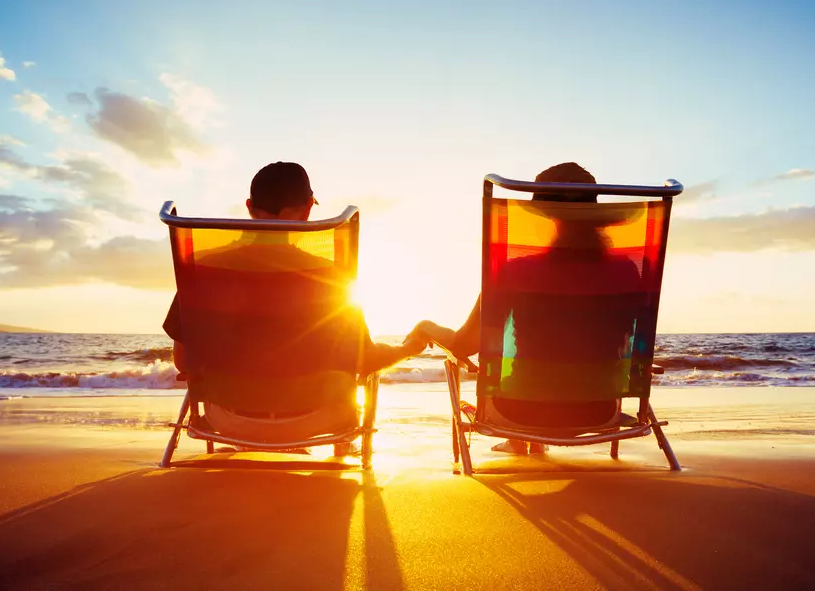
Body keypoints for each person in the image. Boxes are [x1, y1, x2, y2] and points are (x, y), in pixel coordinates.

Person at [163, 161, 425, 453]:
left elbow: (184, 362)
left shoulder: (204, 269)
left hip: (226, 419)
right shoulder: (331, 275)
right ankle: (337, 449)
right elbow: (364, 360)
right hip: (318, 418)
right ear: (308, 208)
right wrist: (408, 348)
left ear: (249, 206)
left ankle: (250, 441)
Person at [406, 162, 642, 455]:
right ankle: (526, 442)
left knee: (525, 375)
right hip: (599, 410)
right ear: (595, 216)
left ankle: (520, 438)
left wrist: (425, 327)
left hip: (519, 411)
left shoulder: (516, 271)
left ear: (547, 217)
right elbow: (629, 341)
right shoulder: (627, 271)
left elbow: (465, 345)